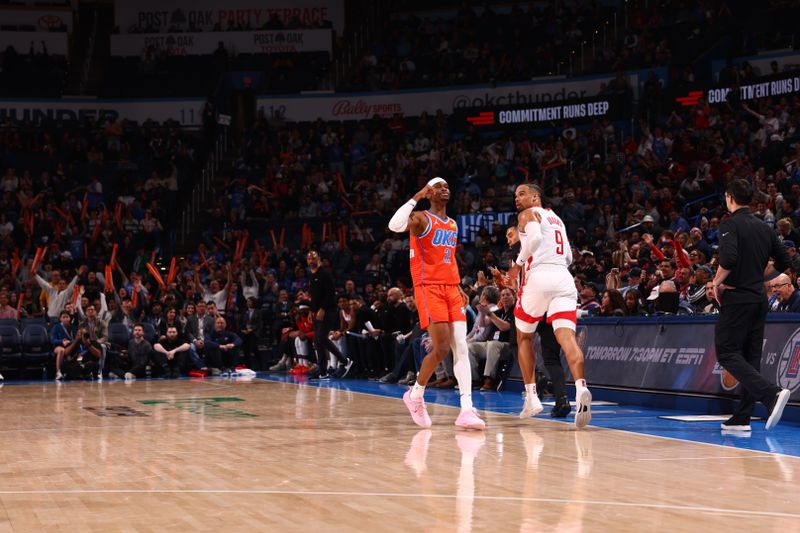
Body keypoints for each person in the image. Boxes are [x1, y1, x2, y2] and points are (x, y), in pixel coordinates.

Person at [388, 177, 485, 430]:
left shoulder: (452, 224)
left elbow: (448, 259)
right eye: (439, 186)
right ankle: (416, 394)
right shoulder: (421, 218)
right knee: (441, 348)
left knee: (461, 346)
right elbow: (395, 224)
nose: (446, 189)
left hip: (451, 288)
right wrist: (417, 195)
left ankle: (466, 409)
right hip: (428, 288)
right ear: (430, 192)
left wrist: (458, 286)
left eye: (447, 186)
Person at [712, 179, 795, 432]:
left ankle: (771, 395)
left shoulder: (729, 224)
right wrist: (758, 275)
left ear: (729, 198)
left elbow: (728, 258)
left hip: (737, 299)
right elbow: (783, 261)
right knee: (750, 357)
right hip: (758, 299)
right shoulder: (765, 227)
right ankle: (743, 416)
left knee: (726, 351)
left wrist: (716, 283)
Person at [509, 183, 592, 428]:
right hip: (564, 278)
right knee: (567, 339)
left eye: (522, 194)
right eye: (515, 195)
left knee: (523, 336)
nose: (517, 198)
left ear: (536, 196)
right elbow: (568, 256)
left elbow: (533, 238)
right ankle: (580, 389)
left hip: (540, 276)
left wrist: (518, 262)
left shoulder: (526, 214)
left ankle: (532, 397)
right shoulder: (557, 219)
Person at [495, 224, 570, 419]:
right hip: (546, 305)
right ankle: (561, 399)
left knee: (519, 344)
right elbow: (516, 285)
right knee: (550, 355)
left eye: (510, 235)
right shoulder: (520, 257)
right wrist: (503, 282)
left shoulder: (530, 249)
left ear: (521, 234)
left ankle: (535, 384)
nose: (509, 239)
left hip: (532, 305)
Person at [307, 250, 353, 378]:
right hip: (317, 311)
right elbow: (314, 296)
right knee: (317, 341)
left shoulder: (325, 274)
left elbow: (330, 294)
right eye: (309, 258)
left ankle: (345, 361)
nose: (311, 260)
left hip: (328, 310)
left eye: (314, 258)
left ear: (319, 259)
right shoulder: (311, 275)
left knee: (321, 338)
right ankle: (322, 371)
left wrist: (322, 309)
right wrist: (311, 310)